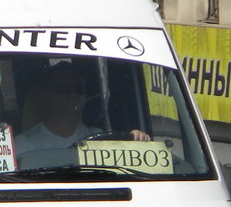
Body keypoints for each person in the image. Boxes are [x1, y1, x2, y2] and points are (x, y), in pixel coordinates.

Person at [14, 62, 149, 168]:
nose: (72, 94)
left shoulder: (101, 138)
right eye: (63, 89)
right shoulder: (23, 145)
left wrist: (136, 141)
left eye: (78, 89)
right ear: (45, 96)